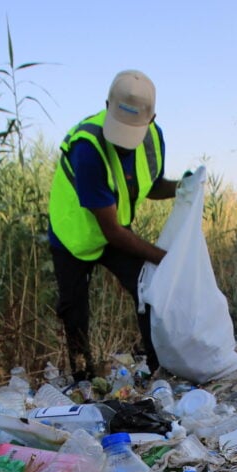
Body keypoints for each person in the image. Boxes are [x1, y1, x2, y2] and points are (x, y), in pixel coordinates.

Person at [48, 69, 187, 382]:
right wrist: (165, 258)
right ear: (107, 105)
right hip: (74, 235)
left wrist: (183, 187)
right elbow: (111, 231)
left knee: (147, 289)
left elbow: (149, 185)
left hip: (113, 230)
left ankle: (158, 368)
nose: (124, 145)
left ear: (150, 120)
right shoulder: (88, 147)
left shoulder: (153, 139)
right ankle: (84, 380)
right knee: (75, 312)